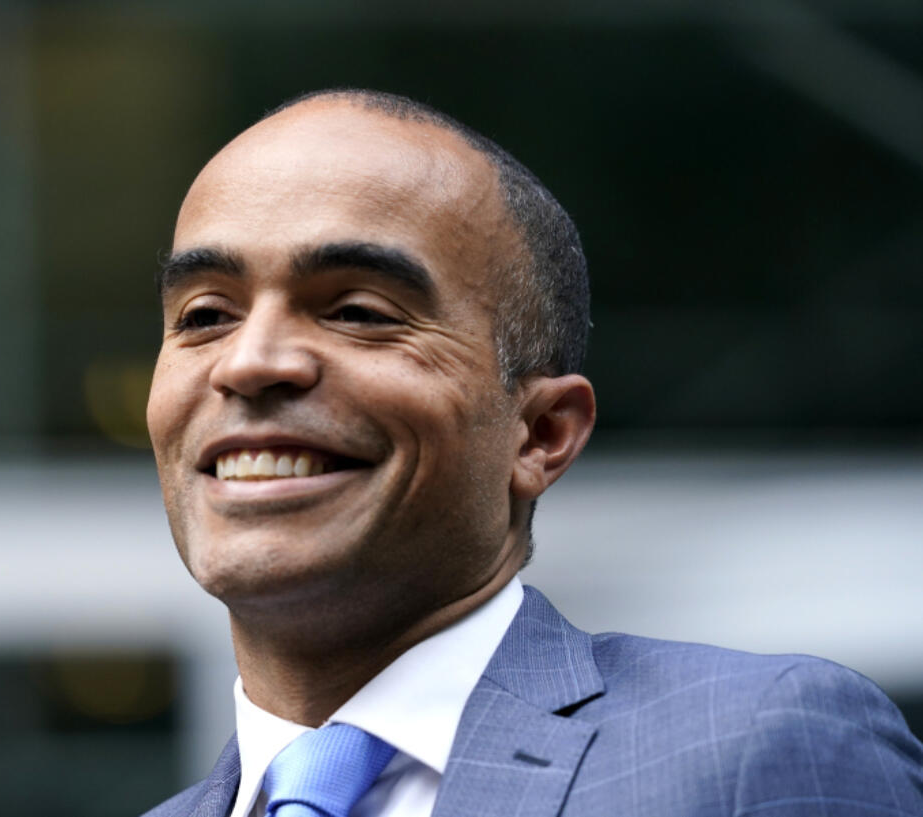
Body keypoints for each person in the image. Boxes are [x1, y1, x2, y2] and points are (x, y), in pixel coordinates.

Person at [141, 88, 923, 817]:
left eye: (356, 310)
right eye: (206, 314)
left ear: (542, 432)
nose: (248, 362)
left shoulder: (761, 749)